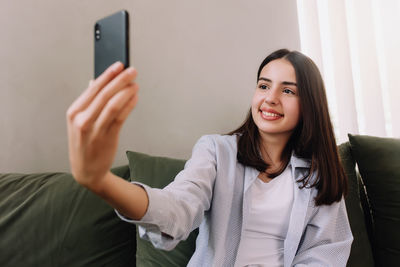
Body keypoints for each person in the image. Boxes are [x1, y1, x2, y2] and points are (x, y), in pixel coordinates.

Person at [66, 49, 353, 266]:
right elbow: (177, 208)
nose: (271, 98)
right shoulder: (217, 151)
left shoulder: (319, 173)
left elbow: (326, 252)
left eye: (288, 90)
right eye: (264, 86)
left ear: (310, 105)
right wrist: (101, 181)